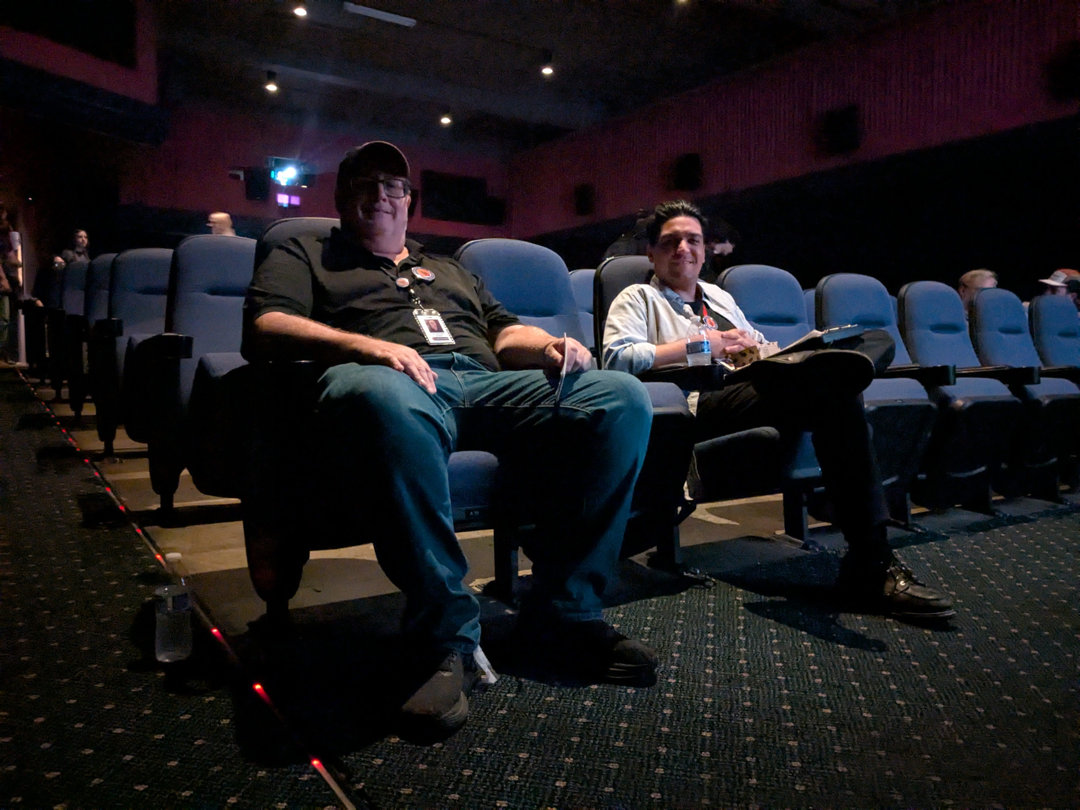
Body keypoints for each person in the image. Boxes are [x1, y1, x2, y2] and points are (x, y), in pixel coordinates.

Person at [243, 141, 658, 741]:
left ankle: (565, 615)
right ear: (341, 198)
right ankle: (441, 636)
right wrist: (371, 346)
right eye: (364, 183)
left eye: (393, 185)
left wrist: (544, 346)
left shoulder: (452, 270)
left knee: (619, 397)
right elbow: (266, 324)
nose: (379, 194)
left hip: (483, 383)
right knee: (385, 396)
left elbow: (502, 329)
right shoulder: (303, 251)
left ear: (410, 202)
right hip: (383, 379)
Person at [603, 199, 955, 622]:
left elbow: (754, 344)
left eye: (693, 240)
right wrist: (702, 347)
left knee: (858, 356)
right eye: (670, 242)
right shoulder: (638, 296)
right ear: (652, 254)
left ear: (706, 249)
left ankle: (868, 557)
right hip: (697, 401)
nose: (683, 249)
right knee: (833, 383)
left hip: (753, 384)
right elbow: (617, 359)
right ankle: (871, 560)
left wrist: (778, 350)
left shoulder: (719, 297)